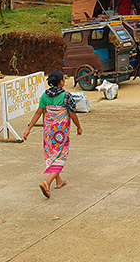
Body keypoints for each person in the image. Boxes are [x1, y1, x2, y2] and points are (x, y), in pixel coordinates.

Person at [23, 70, 83, 199]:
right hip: (60, 133)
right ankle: (47, 182)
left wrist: (29, 128)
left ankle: (59, 181)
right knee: (61, 156)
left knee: (52, 155)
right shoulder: (66, 96)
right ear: (61, 82)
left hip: (48, 132)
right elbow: (73, 114)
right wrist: (79, 127)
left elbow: (38, 112)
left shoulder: (45, 95)